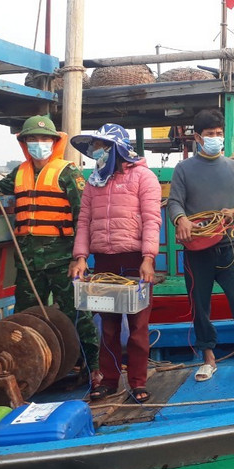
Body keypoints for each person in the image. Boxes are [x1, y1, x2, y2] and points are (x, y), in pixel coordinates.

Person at [0, 115, 99, 371]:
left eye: (43, 138)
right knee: (25, 314)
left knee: (77, 312)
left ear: (54, 142)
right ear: (25, 143)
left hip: (63, 261)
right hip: (28, 262)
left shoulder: (68, 172)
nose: (38, 143)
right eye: (32, 139)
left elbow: (83, 217)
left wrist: (79, 258)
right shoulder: (20, 172)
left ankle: (92, 367)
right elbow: (0, 187)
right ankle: (30, 369)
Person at [167, 108, 234, 382]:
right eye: (209, 134)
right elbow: (174, 202)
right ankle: (208, 358)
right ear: (197, 137)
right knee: (200, 305)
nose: (215, 138)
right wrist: (181, 219)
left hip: (229, 246)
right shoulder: (183, 169)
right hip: (196, 250)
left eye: (218, 133)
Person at [68, 123, 162, 403]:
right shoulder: (93, 182)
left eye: (100, 146)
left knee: (138, 326)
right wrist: (81, 257)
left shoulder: (144, 177)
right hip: (104, 262)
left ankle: (138, 382)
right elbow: (84, 222)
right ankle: (109, 381)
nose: (95, 151)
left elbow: (152, 220)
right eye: (94, 146)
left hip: (135, 261)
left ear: (116, 149)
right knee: (107, 326)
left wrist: (148, 258)